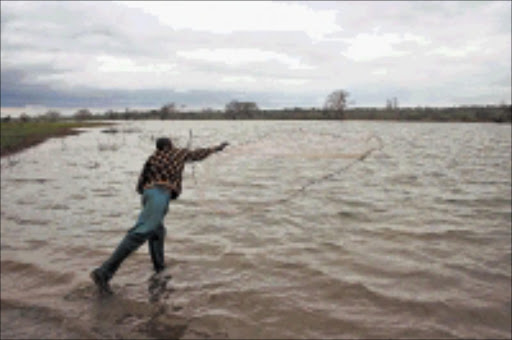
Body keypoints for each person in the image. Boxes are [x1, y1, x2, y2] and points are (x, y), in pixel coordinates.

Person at [90, 137, 229, 295]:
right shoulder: (177, 153)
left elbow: (140, 184)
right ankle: (104, 272)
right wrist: (218, 148)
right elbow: (199, 153)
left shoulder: (152, 158)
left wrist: (150, 195)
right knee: (141, 232)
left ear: (158, 148)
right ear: (170, 146)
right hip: (160, 193)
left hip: (149, 194)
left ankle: (159, 270)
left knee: (157, 232)